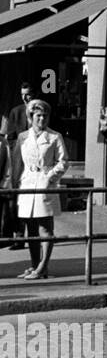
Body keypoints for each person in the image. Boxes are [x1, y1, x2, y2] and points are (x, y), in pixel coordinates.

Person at [15, 100, 68, 280]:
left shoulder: (55, 137)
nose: (42, 119)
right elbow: (17, 163)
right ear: (31, 117)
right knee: (30, 228)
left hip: (45, 183)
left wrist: (50, 177)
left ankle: (43, 267)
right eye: (38, 115)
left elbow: (63, 162)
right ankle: (34, 265)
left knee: (45, 228)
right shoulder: (22, 137)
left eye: (45, 115)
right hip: (27, 183)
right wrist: (15, 184)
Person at [1, 82, 35, 251]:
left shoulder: (42, 110)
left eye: (28, 94)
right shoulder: (16, 111)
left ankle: (38, 236)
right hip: (20, 162)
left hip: (36, 164)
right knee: (18, 201)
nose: (25, 97)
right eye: (23, 94)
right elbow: (11, 138)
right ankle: (19, 237)